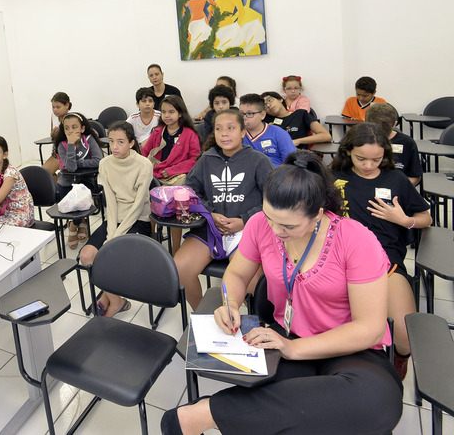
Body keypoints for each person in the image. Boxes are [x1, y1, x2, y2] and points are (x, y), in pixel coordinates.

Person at [161, 150, 403, 435]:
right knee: (303, 410)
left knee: (377, 401)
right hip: (286, 335)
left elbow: (370, 329)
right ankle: (204, 415)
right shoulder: (259, 225)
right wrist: (231, 303)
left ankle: (206, 413)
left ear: (318, 214)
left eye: (288, 225)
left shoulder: (355, 239)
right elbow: (237, 274)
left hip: (348, 347)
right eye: (270, 218)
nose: (276, 230)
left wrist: (294, 348)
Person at [331, 122, 431, 379]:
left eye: (376, 159)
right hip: (338, 257)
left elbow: (425, 218)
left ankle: (399, 358)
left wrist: (404, 220)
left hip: (384, 258)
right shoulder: (333, 177)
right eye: (361, 158)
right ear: (348, 151)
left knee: (405, 336)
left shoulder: (396, 179)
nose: (368, 165)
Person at [173, 110, 273, 309]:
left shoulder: (259, 161)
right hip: (210, 228)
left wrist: (244, 220)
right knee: (180, 268)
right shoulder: (206, 159)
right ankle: (204, 315)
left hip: (246, 230)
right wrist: (209, 214)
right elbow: (191, 191)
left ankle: (251, 320)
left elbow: (273, 199)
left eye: (231, 128)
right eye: (219, 129)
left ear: (243, 132)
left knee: (251, 281)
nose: (224, 133)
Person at [78, 121, 153, 318]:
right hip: (114, 218)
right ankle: (116, 300)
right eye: (111, 141)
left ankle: (107, 297)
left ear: (131, 143)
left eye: (120, 142)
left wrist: (115, 238)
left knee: (112, 255)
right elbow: (110, 202)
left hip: (138, 220)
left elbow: (138, 206)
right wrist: (111, 233)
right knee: (86, 256)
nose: (114, 146)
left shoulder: (144, 164)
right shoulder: (105, 163)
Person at [141, 95, 201, 253]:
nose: (166, 115)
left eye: (171, 112)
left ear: (180, 113)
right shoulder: (157, 132)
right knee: (148, 201)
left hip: (176, 177)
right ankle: (152, 237)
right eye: (164, 112)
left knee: (176, 208)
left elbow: (194, 160)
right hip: (156, 174)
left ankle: (176, 248)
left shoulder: (189, 134)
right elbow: (145, 153)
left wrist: (171, 171)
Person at [54, 111, 104, 249]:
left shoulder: (89, 140)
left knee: (79, 200)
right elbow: (71, 168)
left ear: (82, 129)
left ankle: (73, 226)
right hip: (66, 182)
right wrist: (70, 144)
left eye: (74, 127)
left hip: (87, 181)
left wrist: (79, 163)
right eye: (67, 128)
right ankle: (81, 222)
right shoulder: (62, 145)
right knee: (70, 202)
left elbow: (99, 161)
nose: (70, 131)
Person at [0, 135, 35, 227]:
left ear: (5, 155)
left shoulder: (10, 173)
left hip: (20, 211)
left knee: (3, 230)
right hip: (3, 210)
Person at [366, 102, 422, 186]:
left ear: (395, 124)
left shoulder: (407, 142)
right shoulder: (357, 140)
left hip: (397, 187)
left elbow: (415, 176)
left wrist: (399, 189)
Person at [240, 93, 296, 166]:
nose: (244, 117)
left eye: (250, 113)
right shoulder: (237, 134)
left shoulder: (279, 133)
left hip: (276, 172)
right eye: (241, 114)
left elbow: (292, 164)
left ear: (262, 115)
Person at [261, 91, 332, 148]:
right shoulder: (265, 121)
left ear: (280, 99)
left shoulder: (300, 115)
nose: (268, 105)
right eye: (264, 105)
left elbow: (326, 136)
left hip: (298, 156)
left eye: (269, 100)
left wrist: (298, 141)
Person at [42, 92, 72, 178]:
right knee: (45, 172)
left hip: (69, 151)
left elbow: (72, 138)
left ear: (67, 105)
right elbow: (52, 133)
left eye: (58, 107)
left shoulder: (71, 118)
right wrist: (53, 134)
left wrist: (59, 134)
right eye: (53, 107)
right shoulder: (54, 116)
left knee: (47, 171)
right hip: (58, 150)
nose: (55, 110)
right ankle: (57, 186)